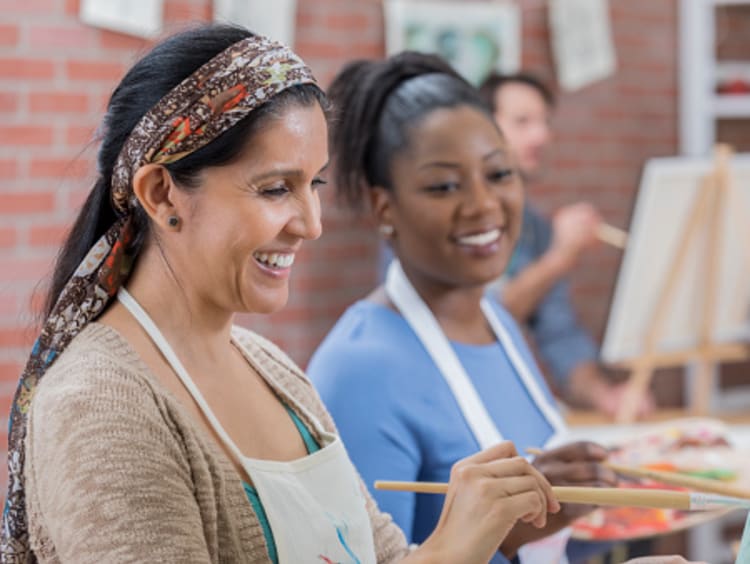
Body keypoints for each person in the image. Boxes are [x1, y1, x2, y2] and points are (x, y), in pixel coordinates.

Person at [1, 25, 564, 563]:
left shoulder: (271, 369)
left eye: (313, 183)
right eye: (275, 188)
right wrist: (447, 555)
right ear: (161, 193)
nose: (311, 223)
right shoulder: (99, 404)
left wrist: (465, 532)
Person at [308, 52, 627, 564]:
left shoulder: (497, 322)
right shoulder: (360, 371)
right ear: (383, 207)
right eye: (444, 186)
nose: (483, 205)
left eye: (499, 174)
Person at [477, 73, 655, 418]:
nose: (542, 135)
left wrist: (605, 395)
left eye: (544, 122)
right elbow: (474, 324)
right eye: (522, 122)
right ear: (480, 128)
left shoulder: (535, 229)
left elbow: (561, 337)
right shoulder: (442, 221)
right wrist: (559, 258)